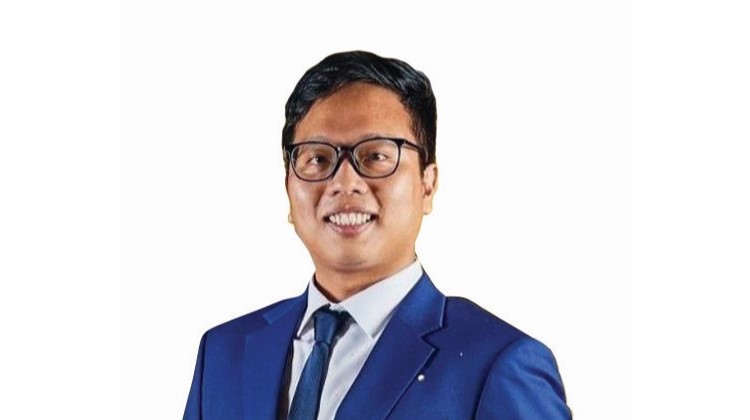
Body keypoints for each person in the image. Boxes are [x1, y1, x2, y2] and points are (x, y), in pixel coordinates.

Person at [183, 50, 572, 420]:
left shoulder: (496, 363)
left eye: (376, 156)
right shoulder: (224, 354)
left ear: (427, 184)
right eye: (318, 158)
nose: (344, 182)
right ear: (288, 187)